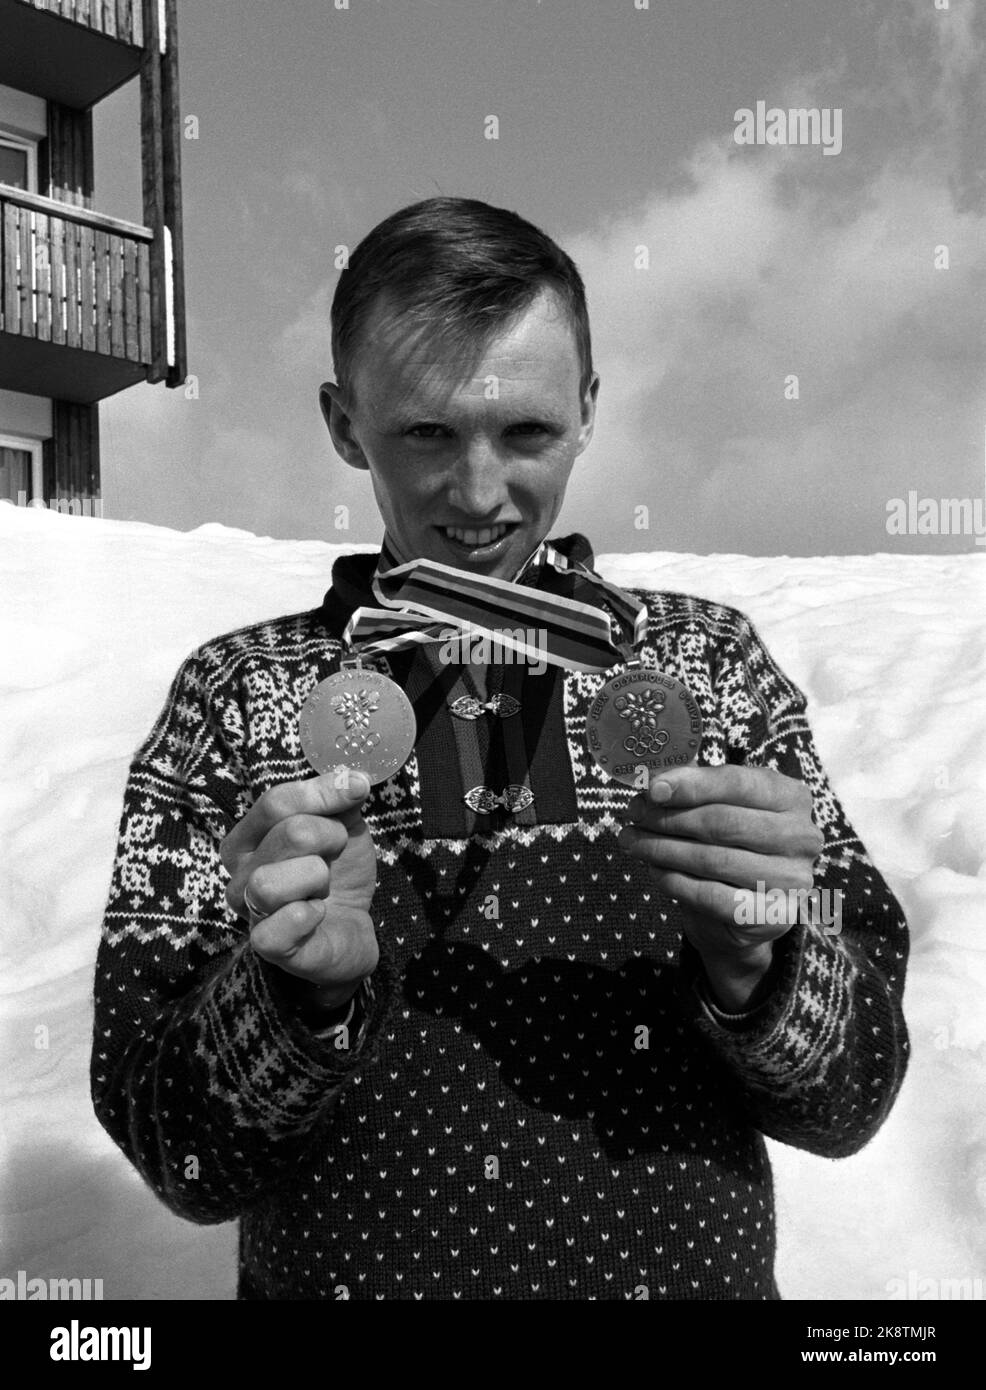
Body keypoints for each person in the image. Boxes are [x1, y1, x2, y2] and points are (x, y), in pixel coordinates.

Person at [91, 196, 910, 1301]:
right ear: (343, 423)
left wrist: (759, 964)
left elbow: (851, 1098)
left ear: (586, 410)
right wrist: (291, 999)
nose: (477, 495)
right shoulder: (239, 699)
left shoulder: (706, 669)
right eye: (425, 432)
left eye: (524, 432)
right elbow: (177, 1153)